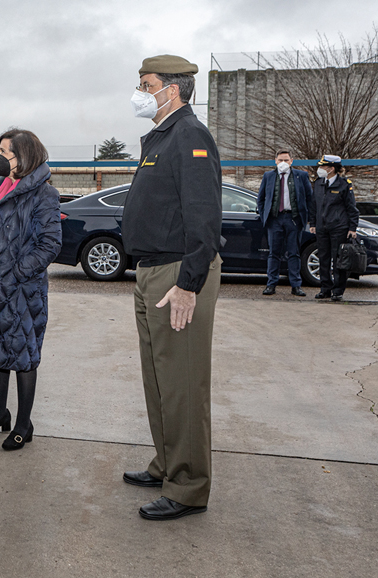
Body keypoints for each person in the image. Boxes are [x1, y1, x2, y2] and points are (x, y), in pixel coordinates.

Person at [121, 55, 223, 521]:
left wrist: (189, 283)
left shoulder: (190, 135)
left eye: (147, 85)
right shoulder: (162, 136)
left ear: (172, 90)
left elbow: (204, 218)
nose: (140, 92)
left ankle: (187, 487)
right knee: (159, 379)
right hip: (150, 271)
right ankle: (166, 464)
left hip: (176, 273)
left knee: (182, 383)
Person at [0, 129, 61, 451]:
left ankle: (23, 423)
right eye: (0, 150)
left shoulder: (43, 194)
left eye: (8, 153)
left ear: (26, 156)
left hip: (20, 290)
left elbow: (50, 244)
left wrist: (16, 272)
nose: (1, 158)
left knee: (24, 354)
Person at [256, 150, 313, 296]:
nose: (283, 163)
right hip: (275, 219)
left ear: (291, 161)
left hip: (293, 219)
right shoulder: (268, 176)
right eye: (280, 160)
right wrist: (265, 217)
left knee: (294, 253)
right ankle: (271, 284)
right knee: (273, 253)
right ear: (275, 160)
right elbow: (261, 198)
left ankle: (296, 285)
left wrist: (306, 218)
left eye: (286, 160)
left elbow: (309, 198)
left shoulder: (301, 176)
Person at [310, 155, 360, 301]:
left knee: (339, 260)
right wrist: (313, 223)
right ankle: (325, 288)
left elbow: (351, 208)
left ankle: (338, 291)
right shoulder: (318, 183)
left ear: (331, 169)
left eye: (322, 167)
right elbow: (314, 206)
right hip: (321, 227)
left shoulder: (344, 184)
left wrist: (352, 228)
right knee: (323, 259)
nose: (319, 170)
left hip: (339, 227)